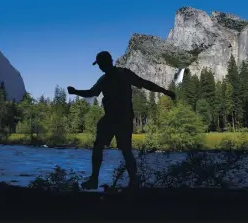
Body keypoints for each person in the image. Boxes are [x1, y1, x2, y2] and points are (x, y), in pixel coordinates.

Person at [67, 51, 176, 190]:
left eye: (100, 64)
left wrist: (75, 91)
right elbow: (145, 83)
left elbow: (91, 93)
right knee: (125, 150)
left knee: (100, 146)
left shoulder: (106, 79)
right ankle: (133, 182)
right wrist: (165, 91)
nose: (100, 67)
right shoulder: (122, 74)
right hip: (123, 117)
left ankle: (95, 180)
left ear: (102, 64)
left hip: (113, 117)